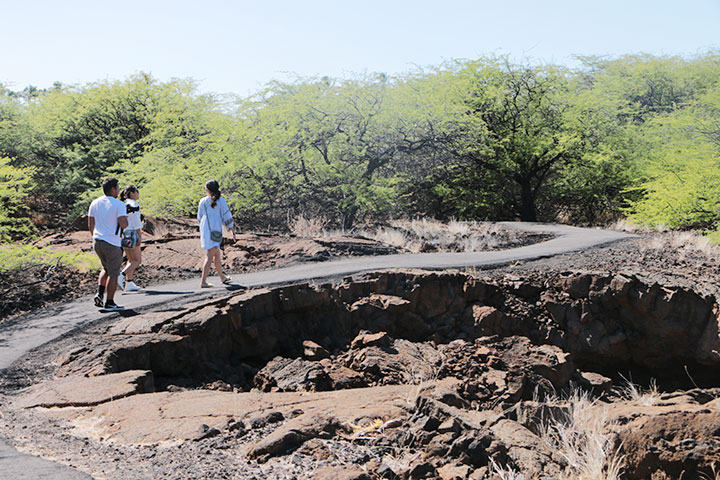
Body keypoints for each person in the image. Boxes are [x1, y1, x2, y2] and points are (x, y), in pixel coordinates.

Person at [88, 177, 128, 311]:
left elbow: (90, 224)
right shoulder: (119, 204)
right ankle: (110, 302)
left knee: (105, 268)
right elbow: (123, 224)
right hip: (112, 242)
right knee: (114, 273)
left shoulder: (95, 203)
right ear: (112, 189)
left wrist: (95, 236)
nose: (118, 190)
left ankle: (100, 293)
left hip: (97, 241)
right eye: (117, 187)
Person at [197, 179, 236, 288]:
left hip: (206, 229)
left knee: (216, 254)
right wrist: (231, 228)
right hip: (215, 230)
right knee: (210, 255)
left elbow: (199, 218)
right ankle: (203, 282)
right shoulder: (221, 201)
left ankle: (222, 277)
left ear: (208, 189)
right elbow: (226, 215)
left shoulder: (202, 201)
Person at [118, 185, 143, 292]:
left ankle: (129, 282)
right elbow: (136, 222)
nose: (138, 193)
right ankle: (121, 275)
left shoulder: (123, 204)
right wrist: (140, 235)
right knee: (137, 261)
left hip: (124, 233)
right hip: (132, 233)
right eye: (137, 191)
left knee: (130, 259)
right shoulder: (134, 204)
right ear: (132, 193)